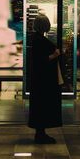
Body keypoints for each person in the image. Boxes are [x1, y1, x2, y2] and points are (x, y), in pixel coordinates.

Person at [28, 14, 63, 144]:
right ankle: (41, 134)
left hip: (40, 80)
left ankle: (40, 133)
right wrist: (55, 54)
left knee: (40, 106)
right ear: (45, 26)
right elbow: (41, 60)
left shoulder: (36, 39)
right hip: (44, 81)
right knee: (43, 106)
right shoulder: (39, 40)